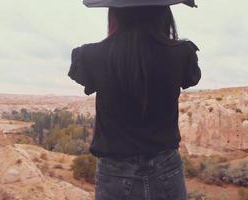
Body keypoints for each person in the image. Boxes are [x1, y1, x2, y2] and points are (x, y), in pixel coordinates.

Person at [68, 1, 201, 199]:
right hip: (167, 169)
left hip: (114, 173)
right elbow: (190, 77)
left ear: (115, 13)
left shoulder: (90, 56)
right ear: (163, 13)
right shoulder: (181, 53)